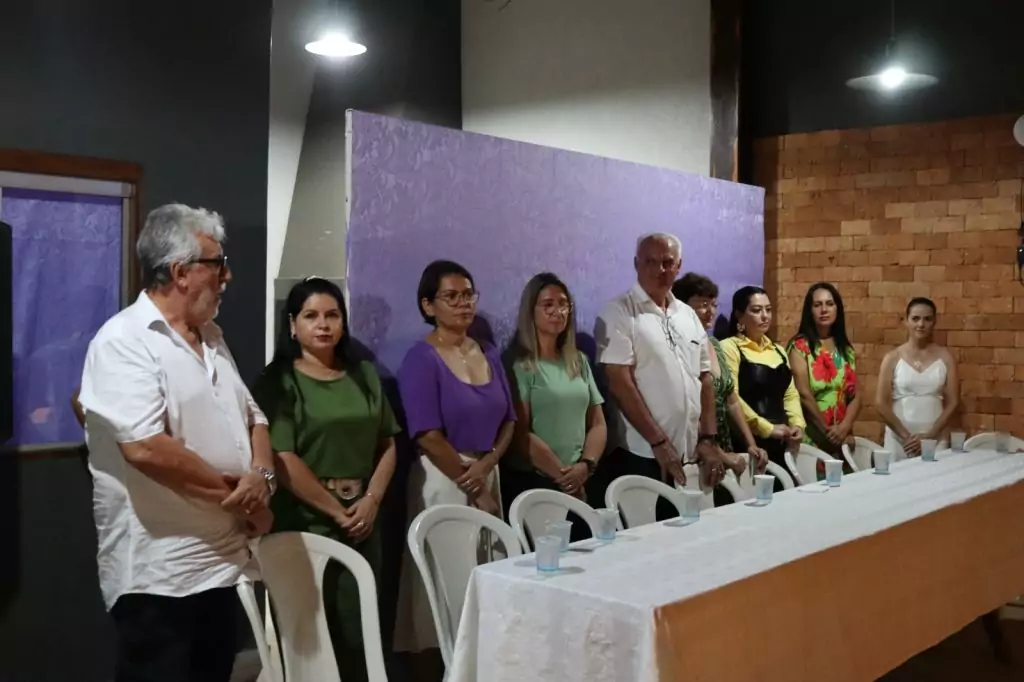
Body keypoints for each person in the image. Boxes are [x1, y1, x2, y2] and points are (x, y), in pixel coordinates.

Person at [78, 204, 275, 682]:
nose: (226, 276)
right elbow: (145, 448)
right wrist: (244, 503)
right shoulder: (125, 340)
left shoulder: (211, 337)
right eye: (217, 264)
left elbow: (255, 417)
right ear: (180, 272)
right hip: (161, 575)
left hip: (222, 562)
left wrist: (263, 477)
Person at [253, 276, 398, 682]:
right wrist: (337, 511)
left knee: (361, 632)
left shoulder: (365, 375)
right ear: (292, 324)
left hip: (364, 522)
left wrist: (370, 501)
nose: (323, 325)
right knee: (310, 633)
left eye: (332, 315)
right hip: (305, 522)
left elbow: (388, 444)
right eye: (311, 315)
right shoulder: (278, 381)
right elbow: (282, 458)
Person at [393, 260, 516, 655]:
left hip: (487, 472)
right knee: (445, 579)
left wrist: (488, 465)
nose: (463, 304)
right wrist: (471, 480)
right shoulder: (420, 358)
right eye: (451, 296)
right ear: (428, 306)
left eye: (468, 295)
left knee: (488, 571)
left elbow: (510, 420)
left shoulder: (489, 353)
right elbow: (427, 435)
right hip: (444, 478)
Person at [595, 234, 732, 520]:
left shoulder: (688, 315)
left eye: (667, 262)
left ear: (678, 265)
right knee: (646, 542)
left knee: (690, 536)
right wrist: (658, 442)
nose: (660, 269)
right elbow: (619, 382)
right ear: (636, 264)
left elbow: (705, 378)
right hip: (642, 453)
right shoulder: (619, 312)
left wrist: (708, 438)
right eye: (651, 262)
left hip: (690, 451)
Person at [504, 273, 607, 527]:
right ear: (531, 311)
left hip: (582, 476)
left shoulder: (578, 360)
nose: (557, 311)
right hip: (539, 480)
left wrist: (586, 465)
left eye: (563, 304)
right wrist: (564, 477)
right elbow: (520, 434)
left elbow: (597, 423)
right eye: (548, 305)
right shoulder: (520, 365)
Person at [672, 274, 768, 488]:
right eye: (703, 305)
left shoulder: (714, 343)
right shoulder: (678, 346)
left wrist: (750, 444)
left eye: (714, 305)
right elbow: (688, 408)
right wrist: (721, 455)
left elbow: (732, 399)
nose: (711, 312)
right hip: (698, 451)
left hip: (724, 444)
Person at [719, 286, 805, 484]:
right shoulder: (729, 347)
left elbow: (790, 394)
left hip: (782, 440)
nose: (765, 316)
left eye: (768, 309)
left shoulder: (779, 350)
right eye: (756, 310)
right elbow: (732, 397)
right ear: (740, 316)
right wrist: (767, 428)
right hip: (747, 441)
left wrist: (797, 424)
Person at [876, 297, 959, 459]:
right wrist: (906, 437)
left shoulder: (946, 358)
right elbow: (880, 403)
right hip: (900, 440)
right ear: (906, 321)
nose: (921, 324)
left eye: (927, 319)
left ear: (934, 322)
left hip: (935, 438)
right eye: (915, 319)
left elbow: (954, 402)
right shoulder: (892, 357)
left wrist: (930, 436)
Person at [788, 283, 861, 461]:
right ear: (809, 311)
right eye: (817, 305)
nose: (824, 310)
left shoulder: (846, 349)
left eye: (829, 304)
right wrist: (828, 431)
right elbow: (803, 394)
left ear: (838, 309)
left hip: (842, 437)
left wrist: (844, 427)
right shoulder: (800, 347)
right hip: (813, 437)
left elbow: (856, 395)